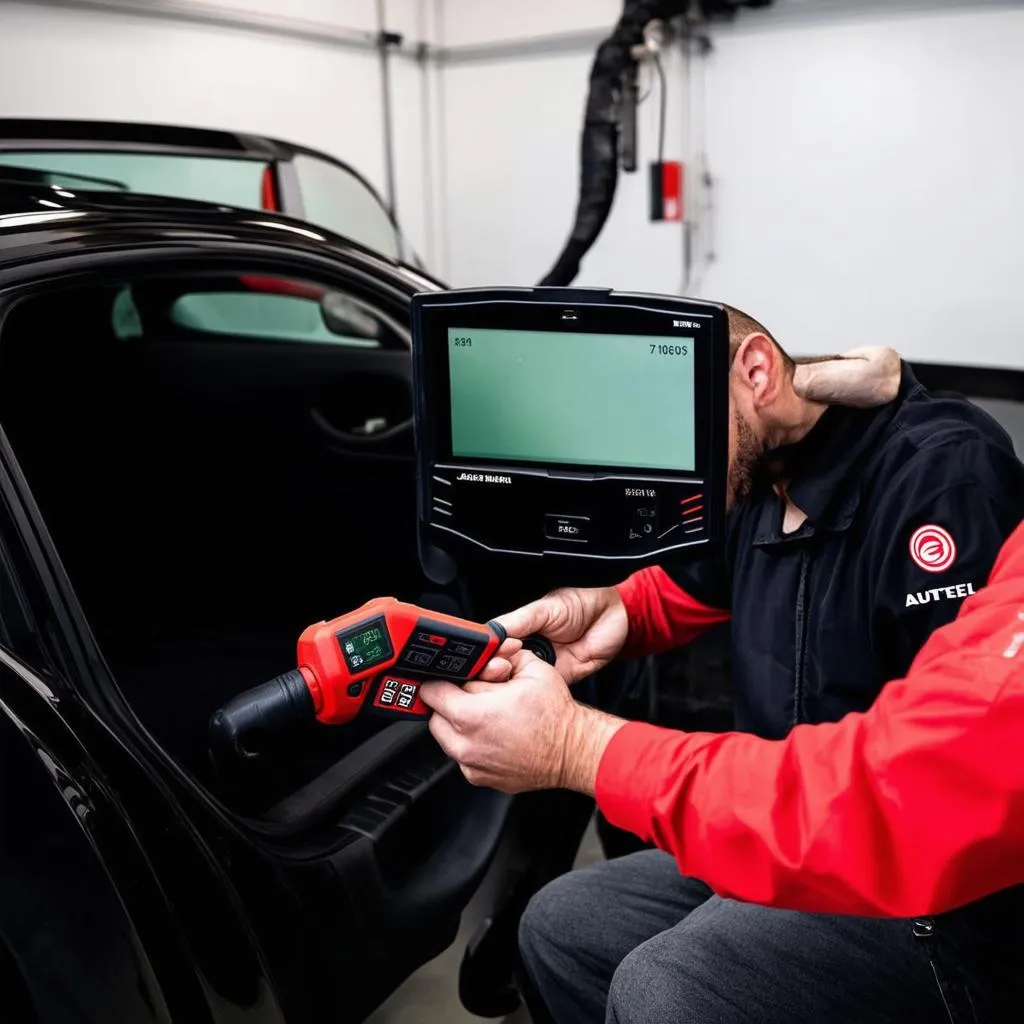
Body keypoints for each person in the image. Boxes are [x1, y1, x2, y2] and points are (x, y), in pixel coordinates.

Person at [420, 311, 1024, 1024]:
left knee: (669, 984)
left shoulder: (945, 481)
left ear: (757, 374)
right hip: (783, 828)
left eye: (673, 427)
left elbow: (918, 791)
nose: (659, 461)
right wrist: (616, 608)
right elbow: (696, 582)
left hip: (931, 896)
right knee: (562, 925)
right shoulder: (759, 468)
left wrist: (575, 747)